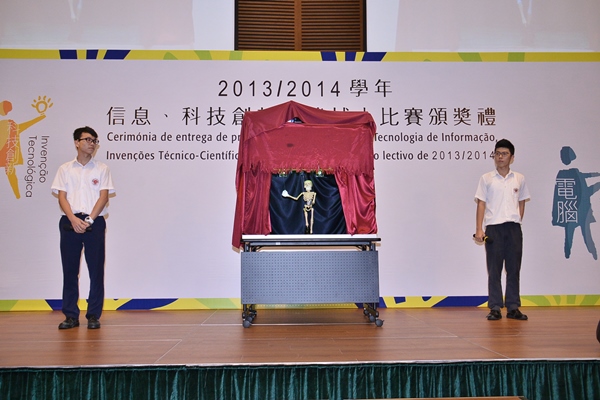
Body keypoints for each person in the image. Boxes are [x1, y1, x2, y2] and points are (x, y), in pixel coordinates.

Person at [51, 126, 115, 329]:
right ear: (76, 142)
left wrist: (89, 220)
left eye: (94, 140)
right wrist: (73, 219)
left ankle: (94, 315)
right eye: (87, 139)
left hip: (94, 222)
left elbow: (103, 197)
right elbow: (62, 197)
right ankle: (70, 315)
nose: (91, 143)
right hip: (70, 222)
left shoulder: (102, 168)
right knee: (70, 271)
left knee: (96, 270)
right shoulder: (65, 169)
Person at [474, 139, 530, 321]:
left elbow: (521, 202)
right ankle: (495, 307)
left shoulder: (519, 178)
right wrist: (479, 229)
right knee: (494, 269)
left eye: (504, 154)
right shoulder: (486, 179)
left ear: (511, 158)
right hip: (494, 228)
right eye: (497, 153)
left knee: (513, 269)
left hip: (513, 228)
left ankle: (513, 307)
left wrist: (517, 220)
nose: (500, 157)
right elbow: (481, 204)